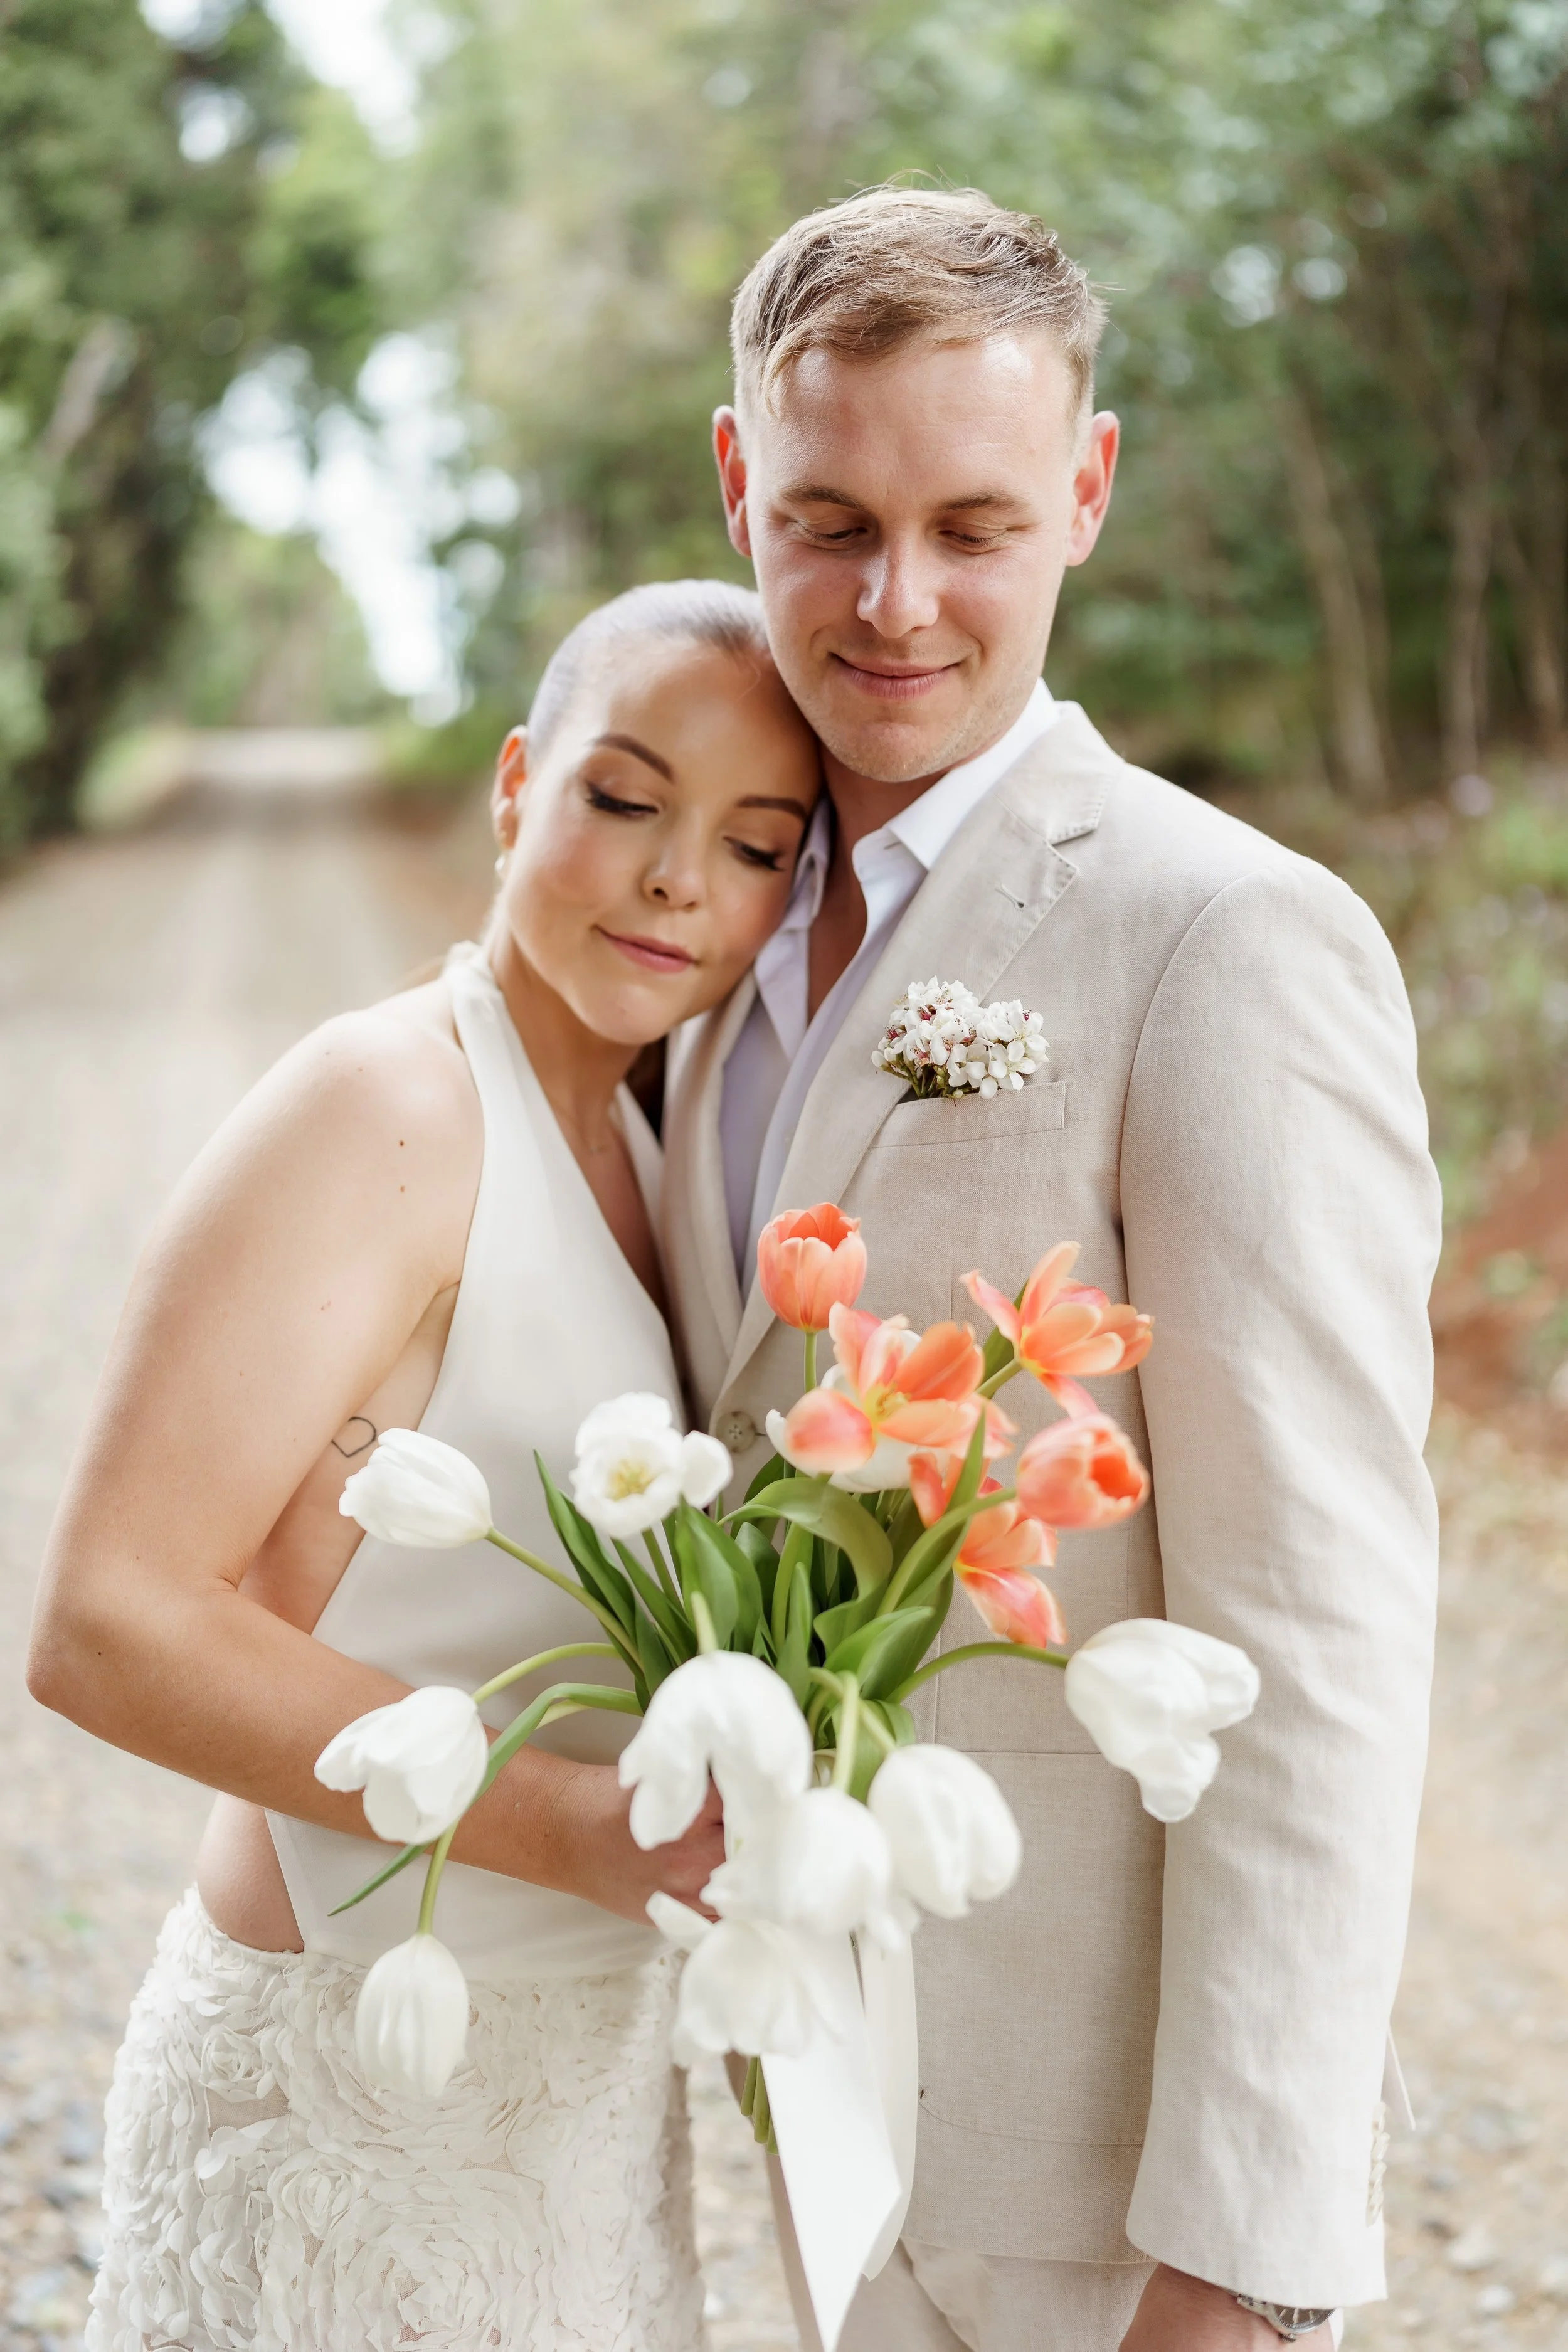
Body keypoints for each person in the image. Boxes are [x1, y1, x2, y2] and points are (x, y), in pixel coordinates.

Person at [660, 186, 1441, 2351]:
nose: (895, 601)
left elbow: (1321, 1631)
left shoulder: (1223, 940)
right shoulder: (698, 923)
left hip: (1086, 2194)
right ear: (736, 479)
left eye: (974, 525)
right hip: (811, 2123)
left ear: (1084, 494)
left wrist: (1238, 2259)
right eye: (826, 519)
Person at [27, 580, 820, 2351]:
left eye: (755, 842)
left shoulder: (650, 1139)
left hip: (570, 2101)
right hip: (352, 2094)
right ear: (515, 781)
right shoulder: (387, 1106)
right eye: (626, 799)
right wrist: (584, 1832)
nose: (680, 876)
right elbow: (101, 1620)